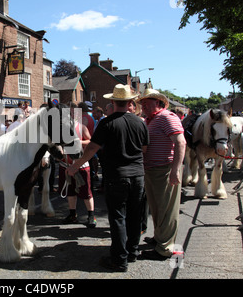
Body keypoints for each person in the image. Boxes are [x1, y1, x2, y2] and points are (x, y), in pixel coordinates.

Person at [66, 84, 149, 272]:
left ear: (113, 101)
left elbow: (92, 149)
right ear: (130, 102)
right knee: (135, 215)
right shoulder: (140, 123)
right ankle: (132, 251)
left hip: (117, 176)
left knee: (118, 217)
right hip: (138, 175)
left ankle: (120, 259)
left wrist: (75, 166)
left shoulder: (107, 123)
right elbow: (144, 149)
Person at [138, 88, 186, 261]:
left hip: (165, 169)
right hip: (153, 169)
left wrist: (175, 170)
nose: (143, 105)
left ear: (159, 103)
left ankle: (165, 248)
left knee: (167, 209)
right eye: (142, 102)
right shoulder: (150, 120)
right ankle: (160, 238)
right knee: (157, 207)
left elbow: (180, 142)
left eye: (147, 102)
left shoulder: (166, 117)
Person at [59, 103, 96, 228]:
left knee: (86, 193)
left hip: (81, 164)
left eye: (72, 112)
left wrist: (79, 141)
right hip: (66, 164)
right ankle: (72, 215)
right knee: (70, 192)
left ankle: (91, 216)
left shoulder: (81, 127)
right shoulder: (61, 129)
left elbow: (90, 141)